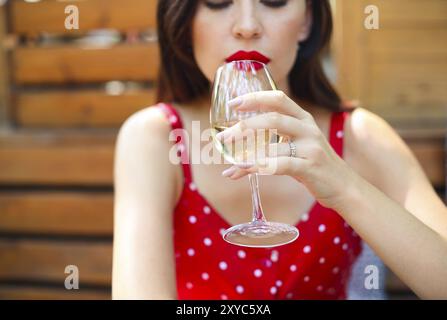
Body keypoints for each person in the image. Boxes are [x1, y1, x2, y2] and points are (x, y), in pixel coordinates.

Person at [112, 0, 447, 299]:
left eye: (274, 1)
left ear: (307, 21)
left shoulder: (359, 135)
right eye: (217, 2)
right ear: (185, 21)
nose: (247, 26)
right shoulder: (155, 138)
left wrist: (345, 186)